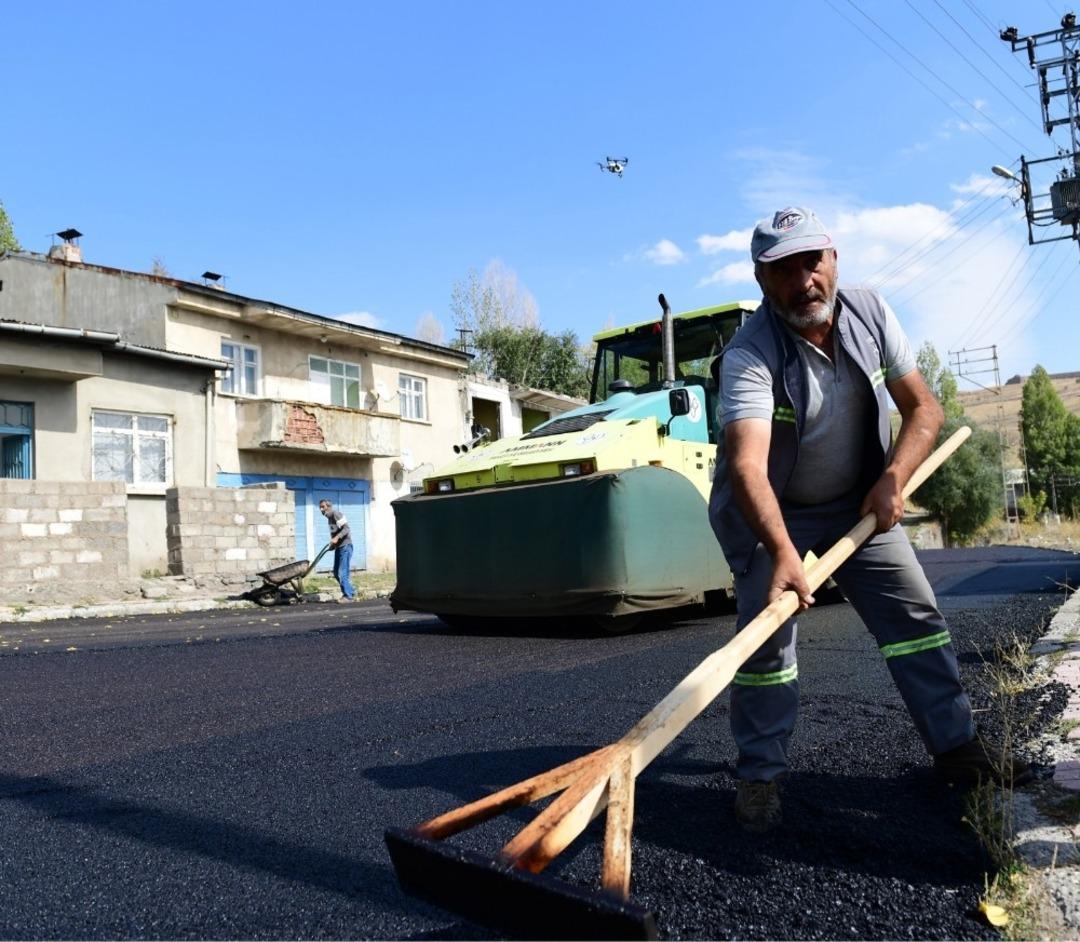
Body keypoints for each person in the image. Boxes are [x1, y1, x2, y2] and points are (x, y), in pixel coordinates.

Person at [708, 206, 1030, 833]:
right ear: (761, 279)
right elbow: (748, 469)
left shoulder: (871, 312)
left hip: (859, 500)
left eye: (813, 261)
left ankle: (957, 748)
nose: (805, 280)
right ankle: (760, 777)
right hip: (773, 515)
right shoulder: (749, 355)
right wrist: (780, 552)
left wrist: (892, 479)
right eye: (785, 269)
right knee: (766, 641)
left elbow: (924, 409)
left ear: (834, 259)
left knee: (916, 616)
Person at [319, 499, 355, 603]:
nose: (321, 509)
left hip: (346, 546)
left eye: (323, 507)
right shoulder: (329, 518)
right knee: (336, 572)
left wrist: (337, 538)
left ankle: (348, 596)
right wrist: (333, 545)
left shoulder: (336, 514)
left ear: (329, 506)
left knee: (342, 572)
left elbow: (346, 529)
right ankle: (351, 591)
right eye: (320, 507)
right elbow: (334, 534)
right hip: (339, 547)